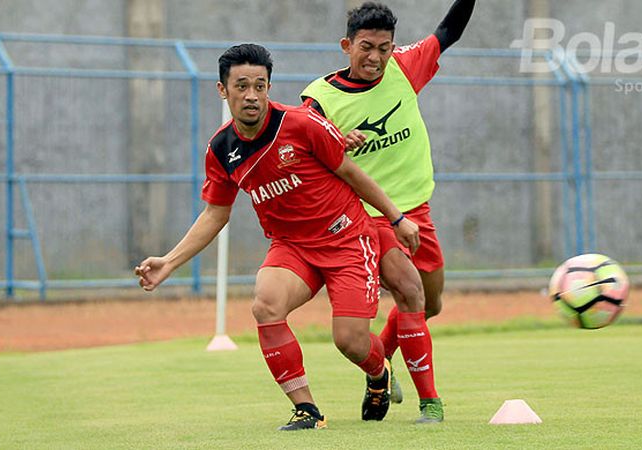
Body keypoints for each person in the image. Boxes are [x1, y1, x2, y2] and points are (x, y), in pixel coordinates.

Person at [135, 43, 422, 431]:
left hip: (346, 240)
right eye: (241, 86)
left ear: (269, 87)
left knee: (351, 342)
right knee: (265, 304)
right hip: (292, 247)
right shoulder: (221, 149)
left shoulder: (302, 124)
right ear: (223, 90)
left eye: (260, 85)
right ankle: (307, 409)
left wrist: (397, 218)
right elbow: (215, 214)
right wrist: (169, 262)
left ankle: (378, 371)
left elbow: (353, 174)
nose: (251, 95)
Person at [300, 0, 475, 424]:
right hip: (365, 219)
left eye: (384, 47)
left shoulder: (404, 67)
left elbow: (448, 32)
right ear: (347, 45)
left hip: (417, 211)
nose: (375, 57)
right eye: (366, 47)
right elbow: (302, 150)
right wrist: (336, 138)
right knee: (410, 292)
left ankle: (380, 362)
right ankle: (430, 403)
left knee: (429, 305)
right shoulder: (319, 99)